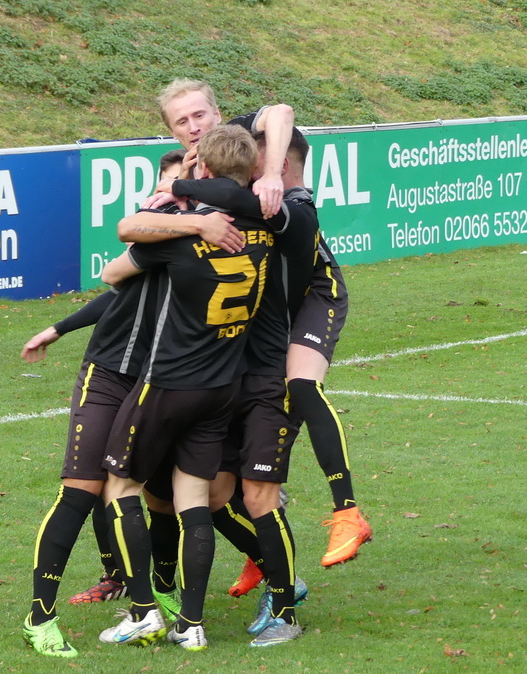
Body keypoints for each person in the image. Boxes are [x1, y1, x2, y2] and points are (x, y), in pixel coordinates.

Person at [19, 148, 244, 657]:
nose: (171, 196)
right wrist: (59, 327)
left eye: (182, 187)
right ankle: (40, 617)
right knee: (82, 491)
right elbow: (115, 285)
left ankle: (153, 599)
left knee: (162, 496)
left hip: (163, 381)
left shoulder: (201, 242)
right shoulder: (163, 233)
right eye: (165, 187)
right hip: (110, 375)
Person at [153, 80, 371, 572]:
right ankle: (261, 551)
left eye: (200, 115)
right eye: (182, 121)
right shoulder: (193, 170)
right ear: (170, 131)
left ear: (218, 113)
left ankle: (346, 511)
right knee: (226, 448)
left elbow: (283, 111)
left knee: (300, 384)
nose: (194, 126)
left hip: (309, 293)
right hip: (254, 314)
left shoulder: (242, 153)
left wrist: (269, 173)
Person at [97, 124, 278, 651]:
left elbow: (114, 269)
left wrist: (180, 217)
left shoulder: (183, 237)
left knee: (120, 487)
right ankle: (191, 625)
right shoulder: (265, 229)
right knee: (194, 500)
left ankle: (143, 612)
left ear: (203, 169)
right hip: (222, 386)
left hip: (169, 382)